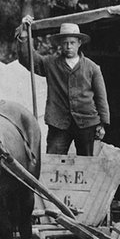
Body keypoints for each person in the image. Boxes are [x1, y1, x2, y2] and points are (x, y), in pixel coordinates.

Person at [15, 18, 109, 156]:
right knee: (53, 164)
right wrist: (23, 34)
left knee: (86, 165)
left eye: (72, 43)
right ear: (60, 44)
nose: (69, 46)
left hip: (86, 123)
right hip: (58, 123)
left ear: (79, 43)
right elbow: (28, 59)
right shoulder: (50, 63)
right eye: (65, 43)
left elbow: (101, 98)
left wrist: (103, 124)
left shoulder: (92, 68)